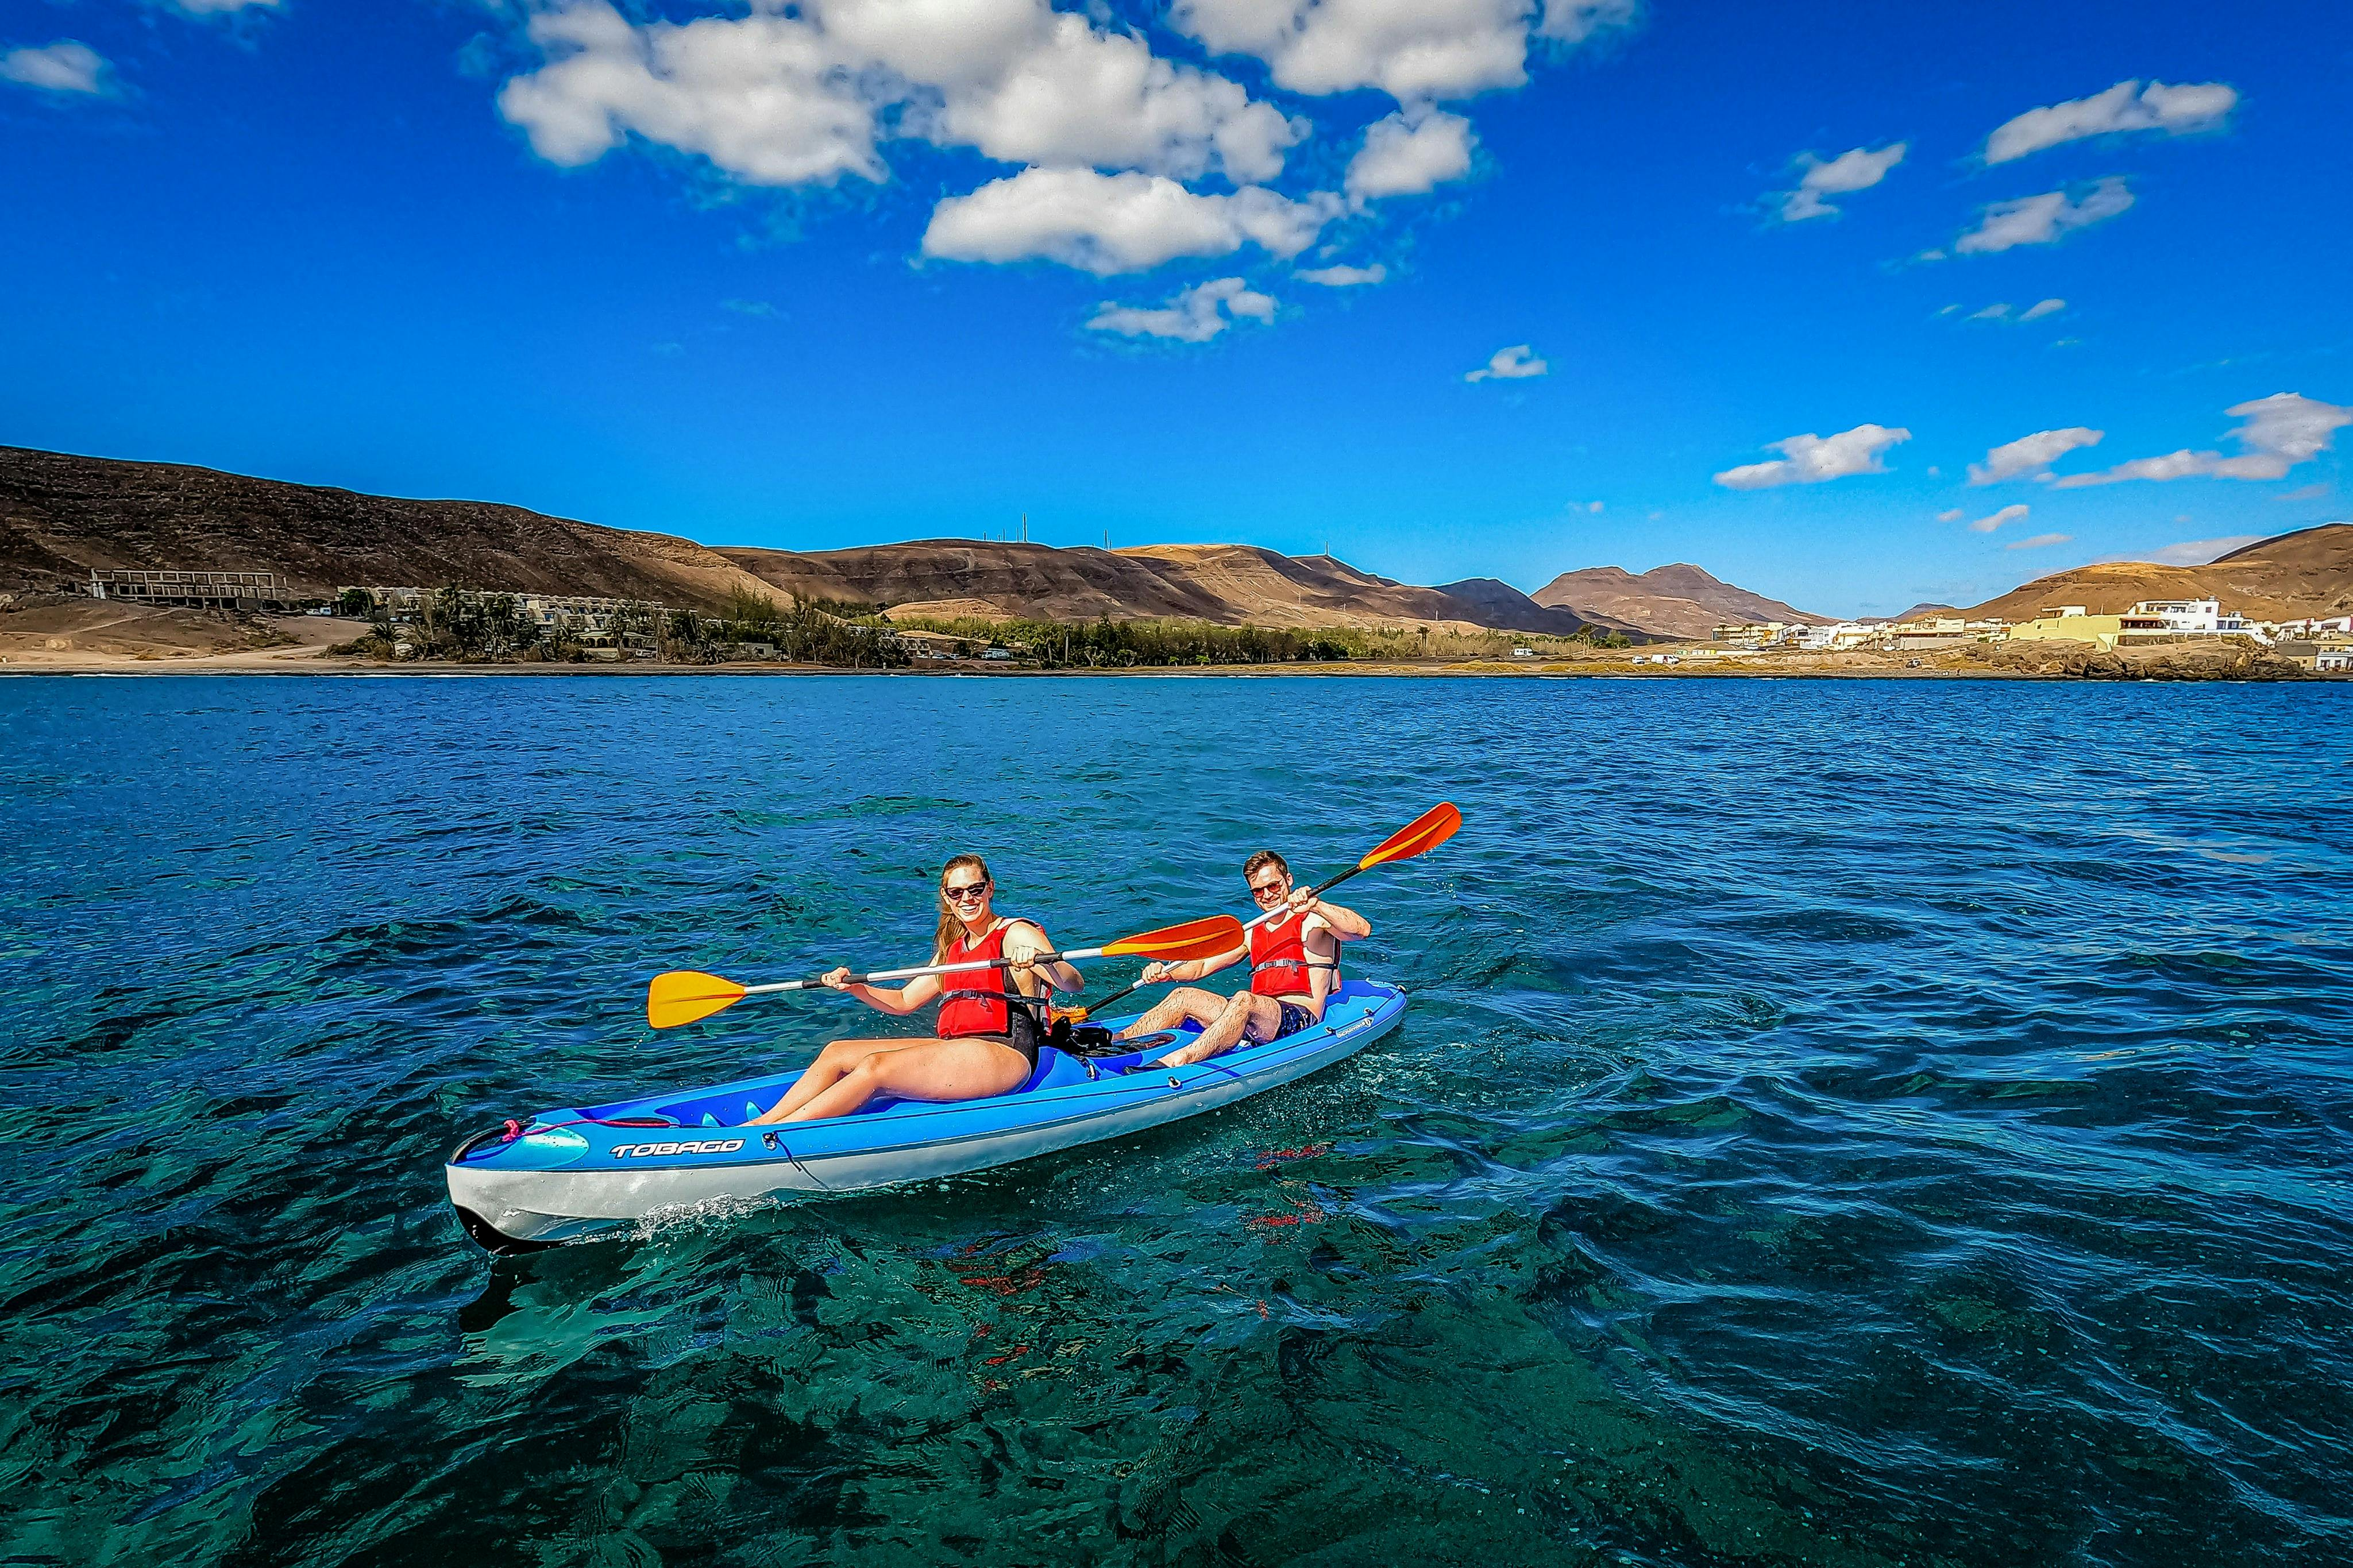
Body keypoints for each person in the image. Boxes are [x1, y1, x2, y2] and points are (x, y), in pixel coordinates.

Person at [750, 855, 1081, 1124]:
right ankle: (763, 1124)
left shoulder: (1016, 934)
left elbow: (1072, 983)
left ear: (990, 889)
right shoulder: (952, 949)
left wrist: (1041, 961)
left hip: (1006, 1051)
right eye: (957, 893)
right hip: (961, 1049)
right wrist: (855, 987)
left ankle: (777, 1133)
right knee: (837, 1051)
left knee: (876, 1067)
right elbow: (904, 1000)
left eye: (975, 889)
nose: (967, 899)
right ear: (946, 897)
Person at [1116, 850, 1370, 1067]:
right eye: (1258, 891)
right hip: (1256, 1015)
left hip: (1299, 1017)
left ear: (1288, 880)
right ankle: (1117, 1044)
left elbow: (1360, 930)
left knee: (1243, 1000)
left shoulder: (1314, 921)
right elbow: (1202, 966)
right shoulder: (1252, 932)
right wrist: (1166, 973)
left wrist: (1316, 904)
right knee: (1184, 996)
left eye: (1273, 886)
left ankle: (1180, 1060)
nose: (1267, 895)